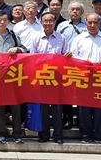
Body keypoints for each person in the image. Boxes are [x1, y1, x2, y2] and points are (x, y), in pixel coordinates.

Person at [70, 13, 101, 144]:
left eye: (95, 22)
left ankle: (100, 136)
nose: (92, 25)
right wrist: (84, 62)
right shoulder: (79, 39)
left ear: (100, 23)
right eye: (90, 22)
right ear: (85, 23)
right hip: (83, 78)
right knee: (83, 109)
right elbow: (73, 56)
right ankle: (85, 135)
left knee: (100, 108)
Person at [29, 12, 72, 144]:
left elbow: (66, 55)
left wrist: (68, 55)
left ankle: (58, 136)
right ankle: (44, 135)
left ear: (55, 22)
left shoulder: (61, 37)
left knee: (57, 108)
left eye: (50, 21)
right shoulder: (36, 38)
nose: (48, 23)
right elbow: (32, 58)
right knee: (43, 109)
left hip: (57, 78)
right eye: (45, 21)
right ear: (41, 22)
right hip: (41, 77)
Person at [0, 10, 27, 143]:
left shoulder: (14, 35)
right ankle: (1, 132)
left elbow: (25, 49)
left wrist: (17, 49)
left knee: (15, 106)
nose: (2, 22)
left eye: (5, 20)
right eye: (0, 20)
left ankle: (17, 133)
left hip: (12, 76)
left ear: (8, 22)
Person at [57, 0, 87, 129]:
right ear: (68, 11)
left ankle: (82, 120)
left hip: (82, 63)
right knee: (66, 92)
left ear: (82, 12)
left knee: (82, 92)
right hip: (66, 63)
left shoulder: (88, 25)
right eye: (72, 9)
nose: (75, 11)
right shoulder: (62, 26)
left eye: (77, 9)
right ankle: (67, 119)